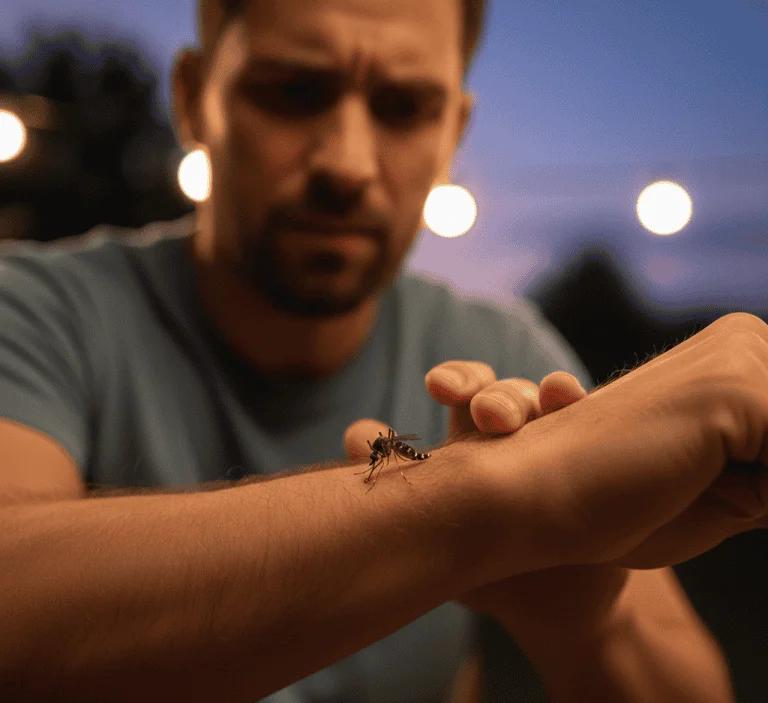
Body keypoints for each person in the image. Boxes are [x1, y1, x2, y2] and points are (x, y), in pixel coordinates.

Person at [0, 0, 766, 700]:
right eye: (294, 92)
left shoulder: (503, 350)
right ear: (196, 98)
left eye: (404, 109)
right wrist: (489, 503)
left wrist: (582, 618)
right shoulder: (33, 310)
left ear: (451, 136)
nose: (348, 163)